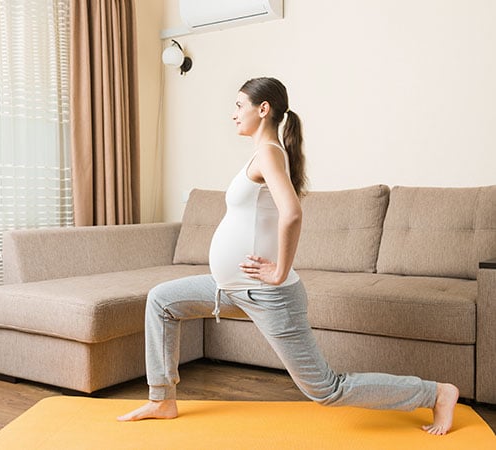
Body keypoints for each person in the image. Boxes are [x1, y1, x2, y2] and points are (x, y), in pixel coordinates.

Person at [117, 77, 459, 435]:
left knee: (327, 388)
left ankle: (435, 393)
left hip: (267, 295)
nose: (233, 114)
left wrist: (279, 271)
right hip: (230, 288)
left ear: (263, 109)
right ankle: (162, 400)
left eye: (238, 105)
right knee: (161, 300)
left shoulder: (267, 153)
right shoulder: (262, 154)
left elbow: (291, 213)